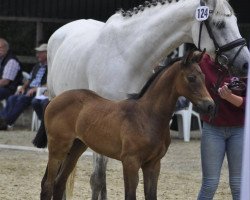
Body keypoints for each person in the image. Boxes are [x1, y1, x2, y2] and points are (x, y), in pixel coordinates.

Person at [197, 52, 246, 200]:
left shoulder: (244, 62)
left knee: (238, 184)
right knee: (210, 183)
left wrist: (229, 97)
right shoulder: (202, 61)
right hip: (212, 128)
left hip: (240, 129)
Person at [0, 43, 48, 130]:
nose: (37, 55)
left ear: (47, 54)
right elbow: (29, 79)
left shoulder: (50, 67)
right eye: (37, 53)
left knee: (21, 99)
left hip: (40, 92)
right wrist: (23, 87)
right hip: (29, 90)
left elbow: (49, 83)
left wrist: (36, 89)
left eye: (40, 53)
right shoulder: (37, 66)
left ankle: (6, 122)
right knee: (12, 98)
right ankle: (1, 120)